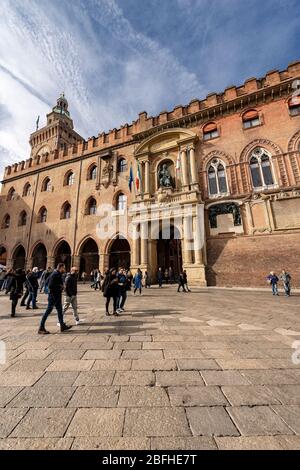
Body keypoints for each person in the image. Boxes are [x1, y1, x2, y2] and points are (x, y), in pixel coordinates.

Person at [38, 263, 72, 334]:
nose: (64, 269)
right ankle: (41, 328)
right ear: (60, 268)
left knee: (60, 311)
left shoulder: (57, 274)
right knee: (48, 311)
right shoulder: (55, 274)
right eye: (64, 268)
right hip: (53, 297)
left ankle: (62, 326)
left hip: (57, 296)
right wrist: (61, 287)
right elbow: (51, 286)